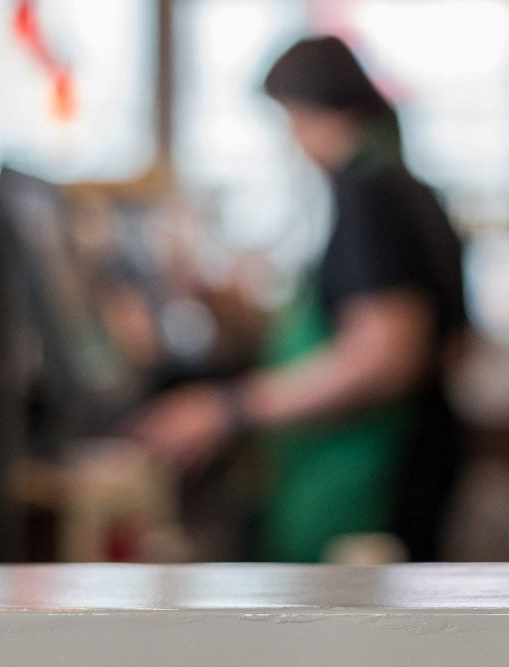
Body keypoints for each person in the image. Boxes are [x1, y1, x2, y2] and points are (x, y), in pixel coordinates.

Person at [130, 36, 467, 562]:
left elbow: (384, 355)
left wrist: (229, 410)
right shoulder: (405, 187)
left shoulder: (368, 191)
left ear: (306, 112)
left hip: (372, 475)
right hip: (419, 451)